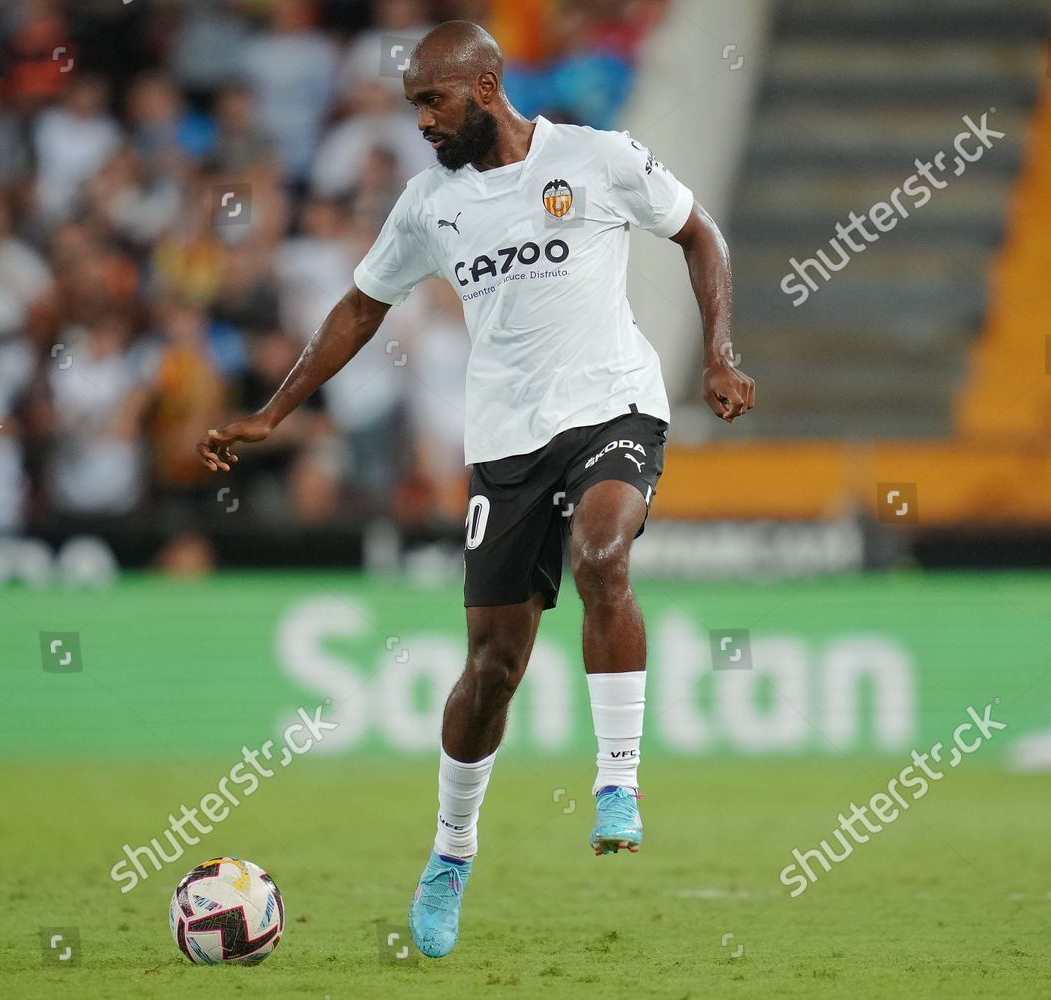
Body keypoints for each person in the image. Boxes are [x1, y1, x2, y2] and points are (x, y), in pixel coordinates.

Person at [196, 20, 754, 959]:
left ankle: (618, 778)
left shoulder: (599, 156)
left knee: (603, 552)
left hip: (615, 404)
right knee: (492, 670)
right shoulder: (429, 206)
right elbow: (360, 308)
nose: (419, 120)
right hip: (505, 446)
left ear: (487, 86)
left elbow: (700, 234)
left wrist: (722, 354)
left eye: (432, 100)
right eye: (414, 102)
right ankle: (452, 851)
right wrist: (275, 412)